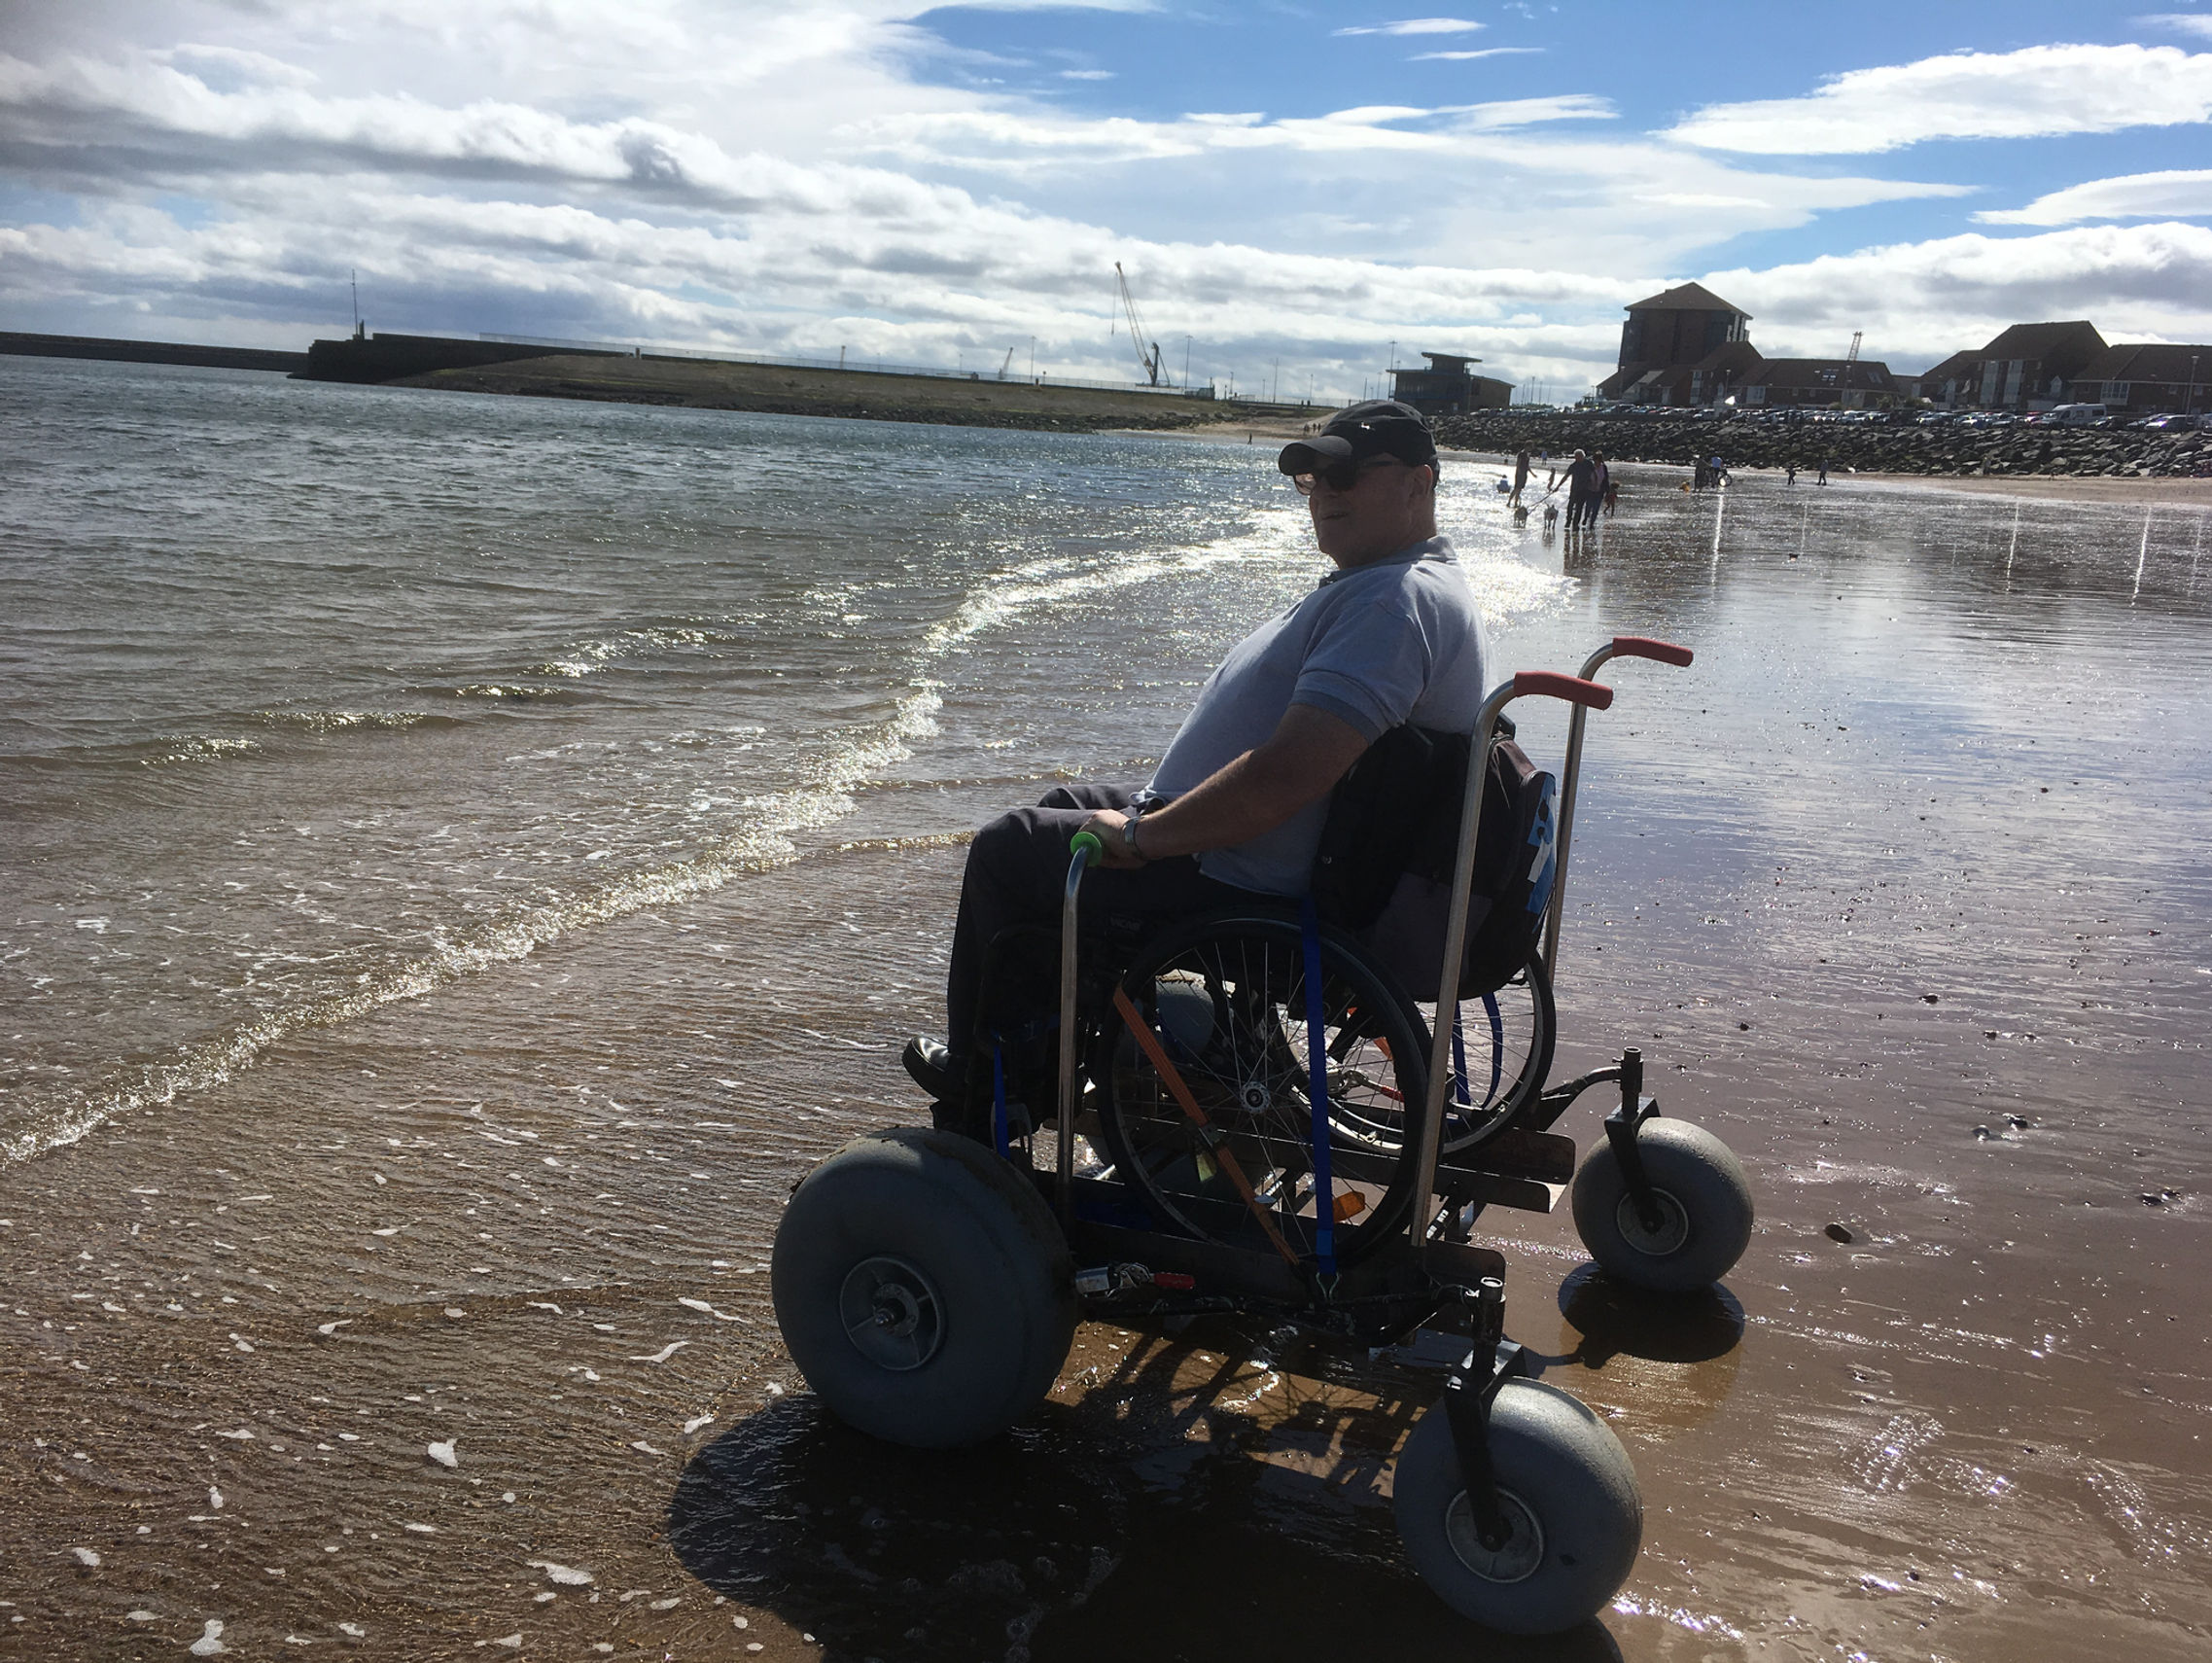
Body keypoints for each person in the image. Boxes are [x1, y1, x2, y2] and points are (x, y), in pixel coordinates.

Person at [903, 400, 1491, 1116]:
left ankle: (989, 1093)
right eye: (1312, 477)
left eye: (1345, 472)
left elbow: (1286, 777)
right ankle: (1044, 1052)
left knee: (1009, 850)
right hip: (1265, 854)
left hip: (1248, 878)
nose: (1325, 491)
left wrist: (1146, 836)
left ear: (1418, 484)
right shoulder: (1401, 583)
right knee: (1066, 806)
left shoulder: (1392, 604)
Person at [1562, 447, 1597, 529]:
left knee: (1579, 507)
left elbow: (1594, 474)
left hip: (1585, 489)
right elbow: (1566, 476)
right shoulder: (1573, 465)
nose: (1577, 458)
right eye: (1576, 457)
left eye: (1579, 456)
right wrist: (1558, 486)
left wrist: (1594, 484)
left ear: (1583, 456)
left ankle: (1575, 523)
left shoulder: (1589, 464)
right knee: (1570, 506)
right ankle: (1568, 520)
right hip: (1574, 489)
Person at [1584, 453, 1610, 529]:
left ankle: (1592, 523)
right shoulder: (1590, 467)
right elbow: (1585, 477)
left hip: (1599, 491)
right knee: (1588, 506)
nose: (1596, 462)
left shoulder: (1604, 467)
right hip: (1589, 490)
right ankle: (1586, 517)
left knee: (1596, 508)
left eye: (1598, 461)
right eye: (1595, 461)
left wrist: (1607, 491)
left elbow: (1606, 479)